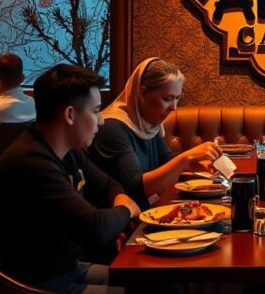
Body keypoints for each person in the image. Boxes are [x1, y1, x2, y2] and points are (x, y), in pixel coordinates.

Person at [0, 65, 139, 294]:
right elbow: (96, 228)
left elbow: (109, 185)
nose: (101, 121)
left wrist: (120, 212)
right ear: (70, 115)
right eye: (96, 111)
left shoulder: (68, 150)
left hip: (65, 268)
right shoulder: (32, 162)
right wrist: (127, 210)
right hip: (31, 284)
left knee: (151, 282)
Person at [89, 58, 221, 210]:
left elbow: (166, 159)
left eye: (177, 98)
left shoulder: (147, 122)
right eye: (168, 99)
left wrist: (197, 163)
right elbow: (135, 188)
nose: (174, 107)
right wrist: (187, 158)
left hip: (145, 209)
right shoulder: (112, 127)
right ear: (143, 93)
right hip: (121, 220)